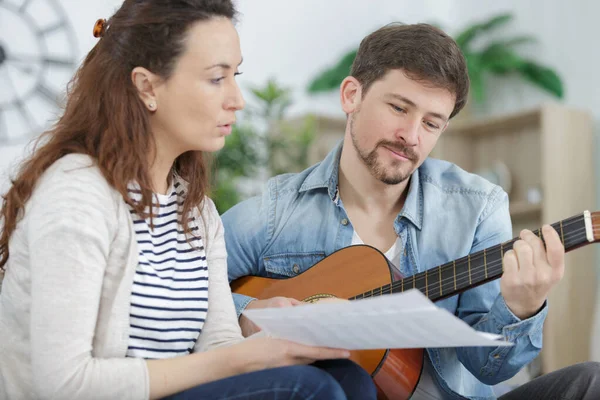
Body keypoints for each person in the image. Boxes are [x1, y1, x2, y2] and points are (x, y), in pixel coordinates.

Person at [0, 1, 378, 399]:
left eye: (237, 75)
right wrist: (247, 357)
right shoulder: (77, 193)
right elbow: (63, 384)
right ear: (147, 86)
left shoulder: (196, 211)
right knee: (309, 388)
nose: (237, 99)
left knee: (348, 378)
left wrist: (277, 344)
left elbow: (219, 346)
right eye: (217, 78)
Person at [222, 22, 600, 400]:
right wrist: (249, 313)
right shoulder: (276, 210)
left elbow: (490, 369)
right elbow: (185, 296)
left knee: (590, 381)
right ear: (352, 95)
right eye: (399, 108)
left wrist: (521, 306)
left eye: (431, 123)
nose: (411, 136)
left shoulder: (478, 207)